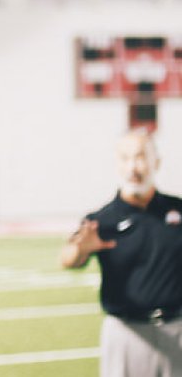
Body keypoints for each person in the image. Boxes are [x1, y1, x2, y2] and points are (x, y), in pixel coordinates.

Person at [60, 128, 182, 377]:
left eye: (140, 157)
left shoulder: (177, 210)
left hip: (177, 328)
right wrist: (79, 250)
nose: (133, 167)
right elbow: (69, 260)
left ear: (155, 162)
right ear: (117, 164)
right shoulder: (101, 221)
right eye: (125, 158)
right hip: (126, 332)